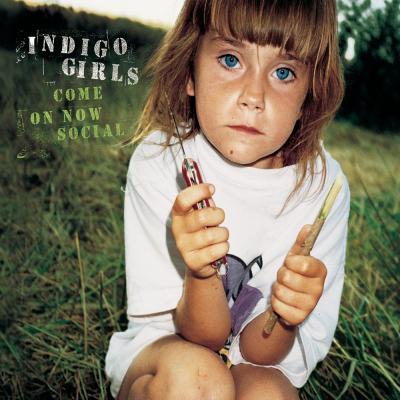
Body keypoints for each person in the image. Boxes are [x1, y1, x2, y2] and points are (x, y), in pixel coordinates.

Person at [105, 0, 350, 399]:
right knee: (201, 379)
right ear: (190, 71)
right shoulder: (161, 161)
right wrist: (203, 274)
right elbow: (202, 338)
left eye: (283, 72)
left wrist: (285, 316)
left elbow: (261, 353)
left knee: (270, 394)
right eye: (230, 60)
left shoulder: (324, 188)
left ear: (309, 94)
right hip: (167, 351)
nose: (254, 96)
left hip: (258, 359)